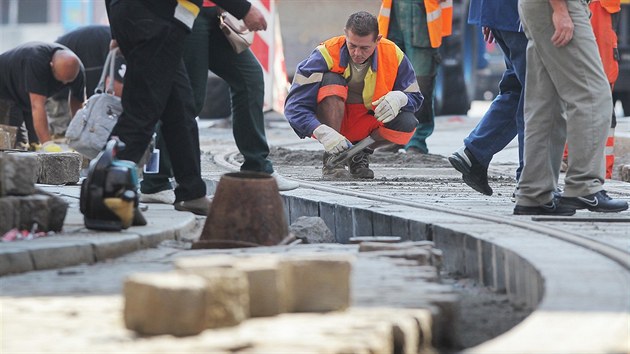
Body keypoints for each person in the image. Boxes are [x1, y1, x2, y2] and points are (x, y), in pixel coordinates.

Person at [139, 0, 298, 205]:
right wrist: (243, 9)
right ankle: (155, 182)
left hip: (212, 13)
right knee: (186, 101)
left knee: (249, 78)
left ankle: (257, 167)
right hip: (185, 12)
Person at [514, 0, 628, 215]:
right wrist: (560, 10)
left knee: (546, 105)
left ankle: (535, 193)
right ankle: (584, 186)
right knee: (593, 95)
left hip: (541, 7)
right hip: (559, 6)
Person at [104, 0, 215, 216]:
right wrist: (243, 9)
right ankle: (108, 196)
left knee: (181, 108)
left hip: (148, 20)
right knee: (141, 113)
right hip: (156, 21)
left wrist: (117, 30)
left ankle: (192, 193)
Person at [284, 11, 423, 180]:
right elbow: (294, 106)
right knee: (331, 80)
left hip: (367, 122)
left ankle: (359, 152)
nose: (357, 53)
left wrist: (400, 98)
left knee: (407, 123)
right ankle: (333, 158)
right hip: (333, 121)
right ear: (346, 35)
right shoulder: (326, 53)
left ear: (377, 40)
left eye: (364, 48)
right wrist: (322, 132)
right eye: (352, 46)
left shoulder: (393, 54)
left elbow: (416, 97)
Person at [447, 0, 527, 197]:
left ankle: (474, 153)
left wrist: (488, 13)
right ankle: (532, 181)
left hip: (497, 10)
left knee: (519, 88)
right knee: (537, 94)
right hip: (522, 14)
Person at [377, 0, 452, 154]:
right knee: (391, 81)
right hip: (394, 19)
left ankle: (417, 140)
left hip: (423, 21)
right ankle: (394, 136)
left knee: (421, 85)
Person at [561, 0, 621, 180]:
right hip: (592, 9)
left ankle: (595, 171)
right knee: (593, 92)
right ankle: (586, 169)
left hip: (595, 9)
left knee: (593, 94)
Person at [0, 42, 84, 151]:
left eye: (68, 81)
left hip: (24, 93)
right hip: (4, 89)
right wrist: (48, 143)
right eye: (61, 80)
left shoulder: (77, 70)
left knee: (34, 144)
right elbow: (37, 105)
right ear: (51, 66)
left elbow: (78, 105)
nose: (64, 83)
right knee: (13, 143)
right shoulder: (37, 61)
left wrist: (79, 139)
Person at [47, 25, 125, 137]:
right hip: (68, 65)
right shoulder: (117, 43)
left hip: (74, 59)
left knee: (63, 124)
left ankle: (66, 137)